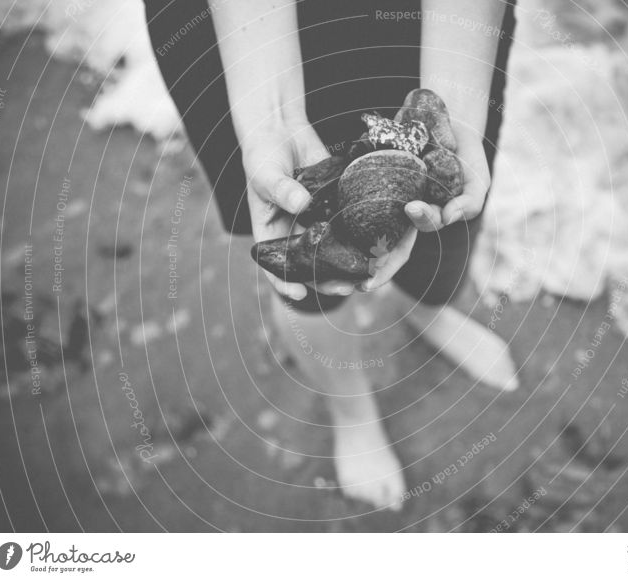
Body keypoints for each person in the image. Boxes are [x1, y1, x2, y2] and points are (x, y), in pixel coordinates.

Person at [145, 0, 517, 511]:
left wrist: (452, 111)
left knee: (447, 212)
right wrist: (272, 113)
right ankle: (352, 414)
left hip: (436, 26)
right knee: (310, 267)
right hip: (240, 33)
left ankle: (428, 311)